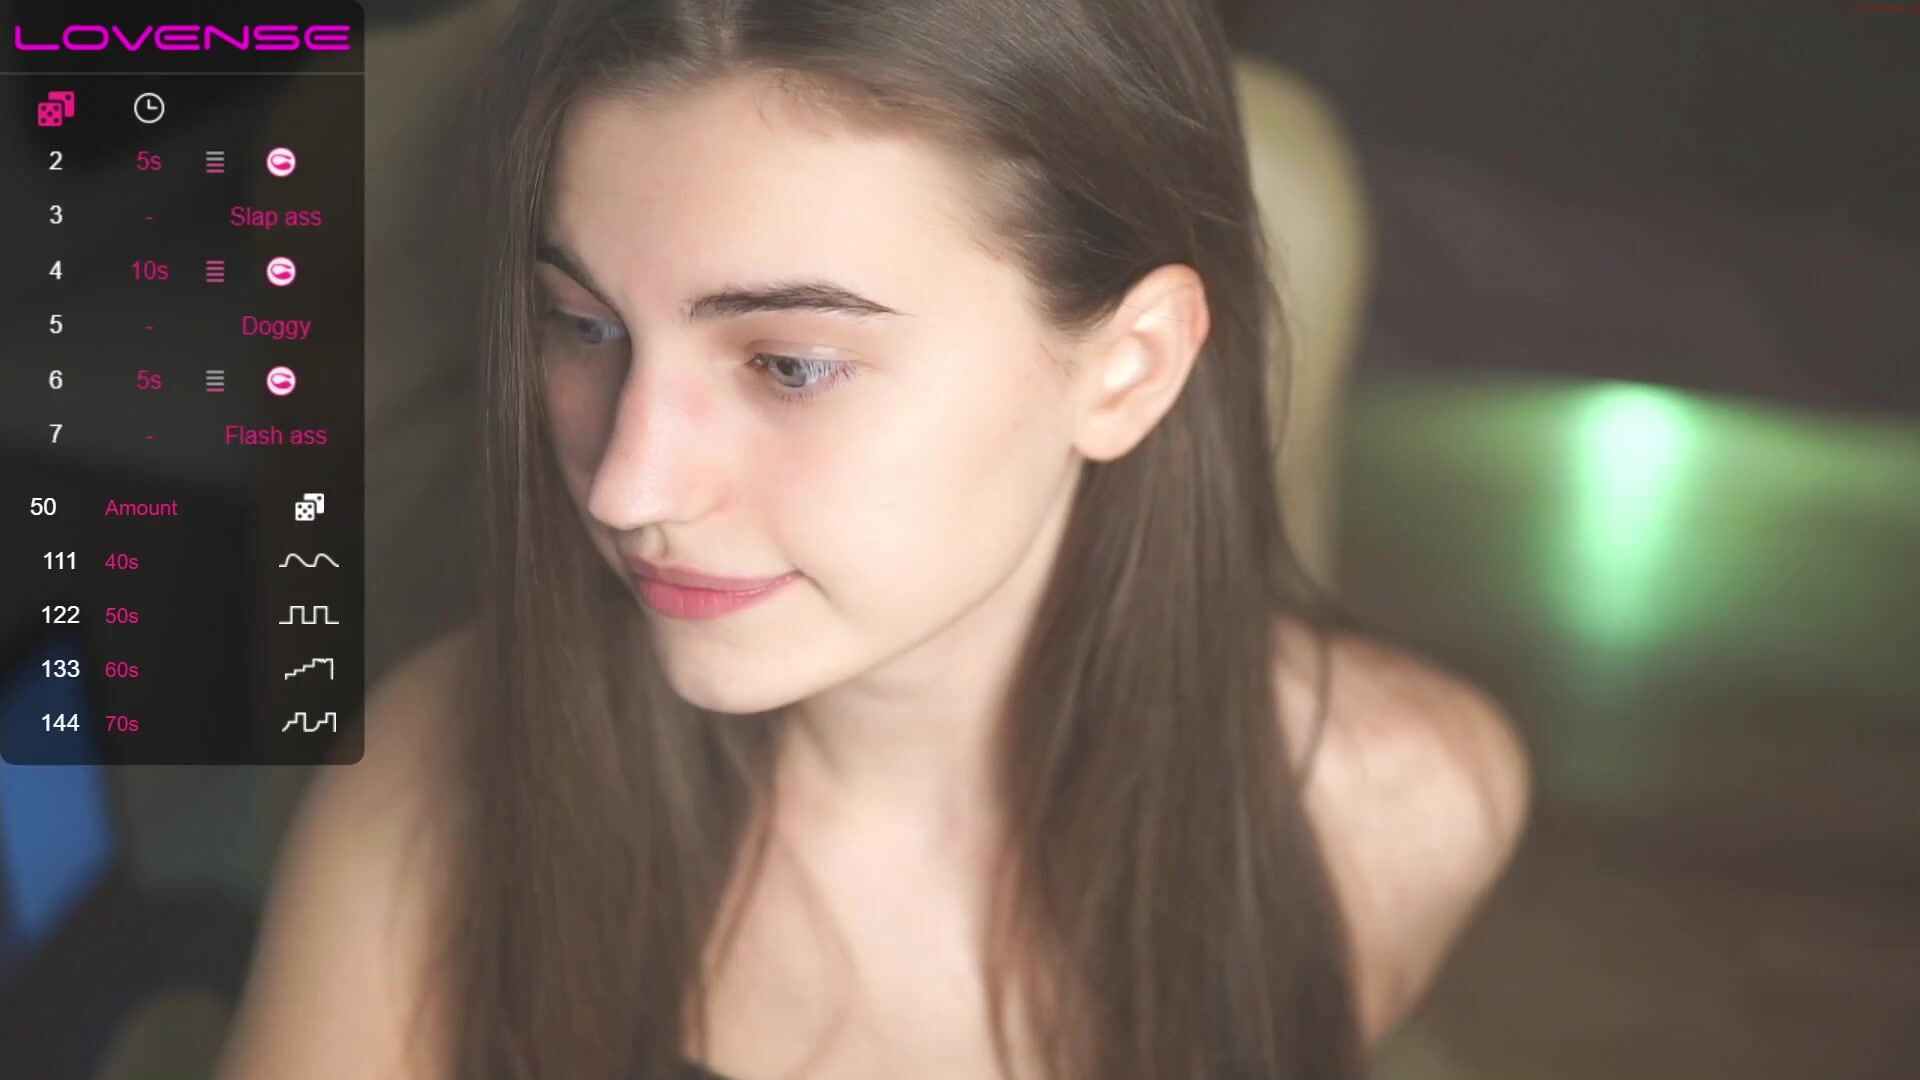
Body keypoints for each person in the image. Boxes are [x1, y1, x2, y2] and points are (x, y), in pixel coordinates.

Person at [215, 0, 1531, 1077]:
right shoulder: (439, 801)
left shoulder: (1392, 808)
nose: (626, 485)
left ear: (1127, 368)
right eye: (585, 325)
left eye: (789, 365)